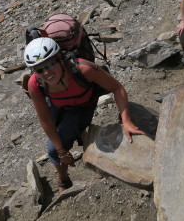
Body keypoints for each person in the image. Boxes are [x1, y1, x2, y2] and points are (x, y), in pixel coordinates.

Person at [24, 37, 144, 192]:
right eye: (39, 69)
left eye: (50, 64)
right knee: (56, 148)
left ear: (60, 58)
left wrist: (126, 119)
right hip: (57, 103)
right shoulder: (35, 84)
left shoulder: (83, 69)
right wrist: (62, 151)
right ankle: (64, 178)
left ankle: (64, 178)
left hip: (83, 104)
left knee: (56, 143)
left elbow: (117, 88)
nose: (46, 72)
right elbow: (44, 119)